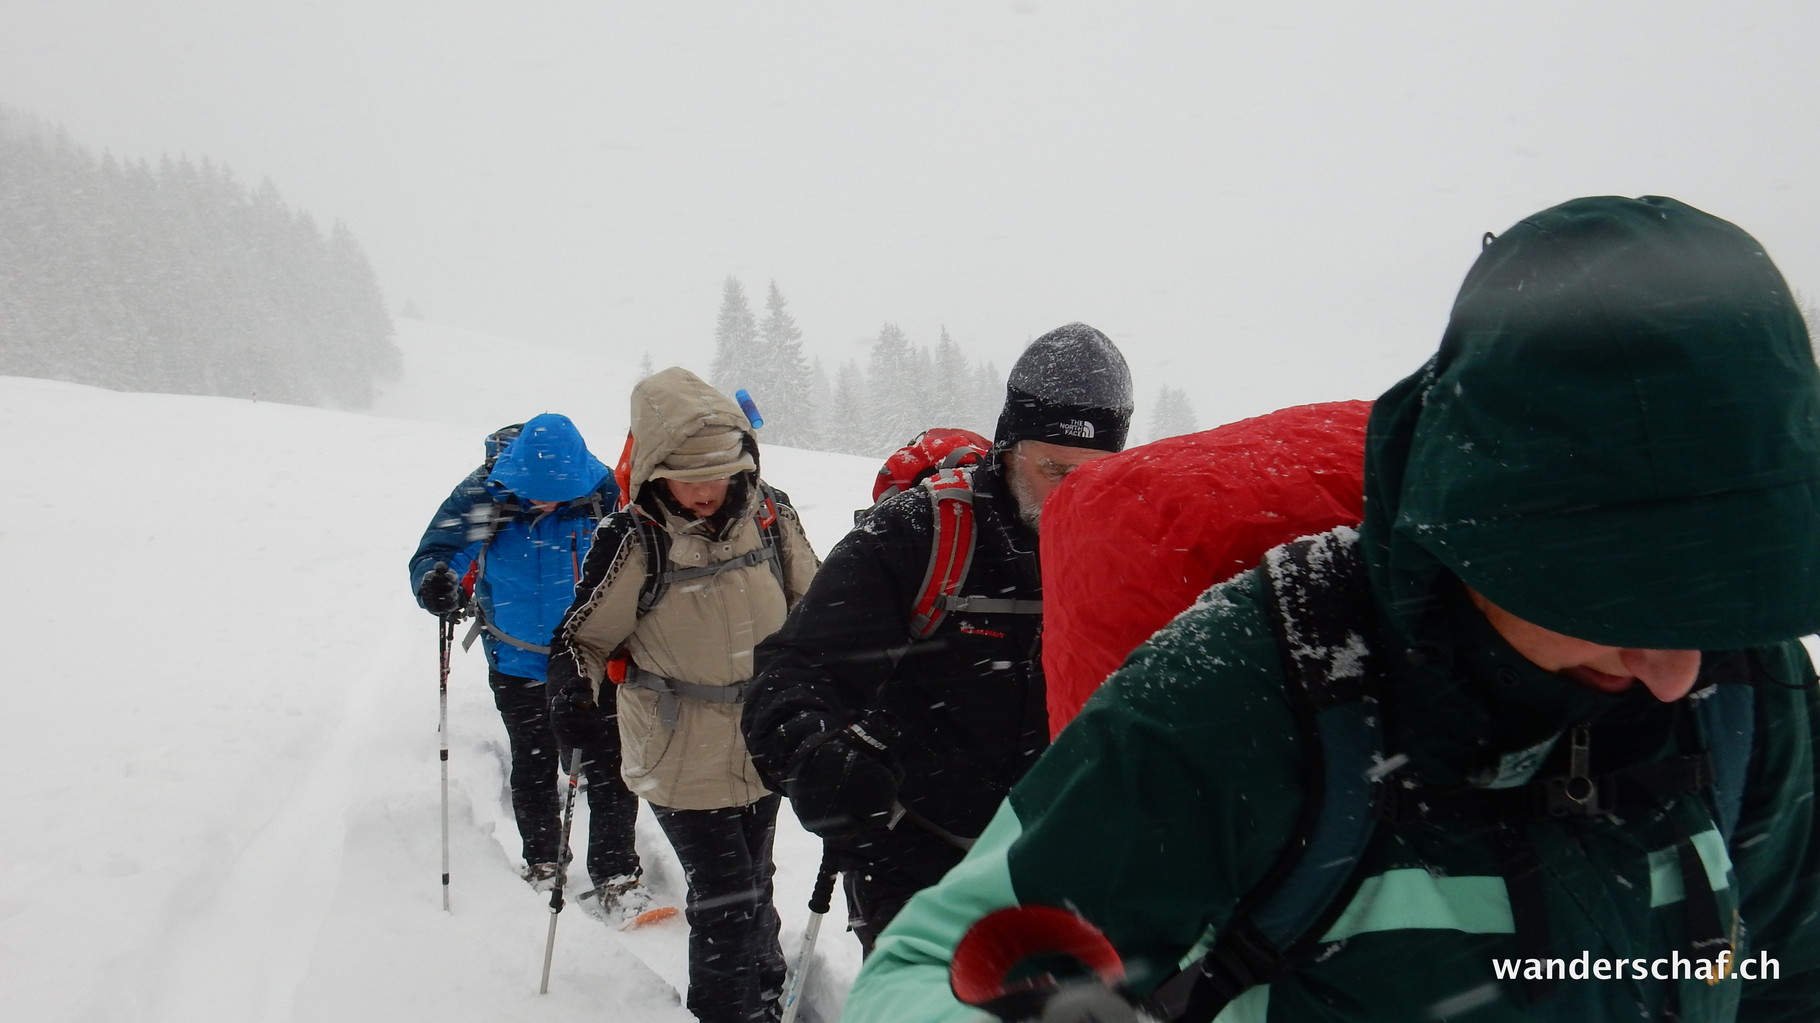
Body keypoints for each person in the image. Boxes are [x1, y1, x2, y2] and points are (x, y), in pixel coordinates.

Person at [841, 196, 1820, 1022]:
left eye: (1714, 599)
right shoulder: (1264, 682)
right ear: (1489, 521)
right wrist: (823, 746)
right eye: (1620, 598)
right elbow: (939, 972)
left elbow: (1786, 966)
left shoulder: (1744, 683)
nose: (1678, 668)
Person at [742, 322, 1135, 954]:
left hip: (1058, 857)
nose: (1072, 495)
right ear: (1008, 448)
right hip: (914, 856)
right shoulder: (920, 532)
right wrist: (813, 755)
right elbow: (795, 669)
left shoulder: (1126, 543)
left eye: (1096, 475)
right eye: (1053, 469)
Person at [548, 366, 818, 1023]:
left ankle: (767, 984)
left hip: (763, 739)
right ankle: (728, 1009)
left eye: (719, 473)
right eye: (688, 476)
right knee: (725, 890)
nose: (705, 491)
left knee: (756, 876)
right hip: (677, 749)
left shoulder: (771, 513)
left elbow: (819, 609)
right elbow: (580, 640)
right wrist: (572, 699)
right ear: (654, 470)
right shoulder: (633, 538)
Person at [408, 412, 642, 897]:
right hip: (516, 661)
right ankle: (542, 859)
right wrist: (435, 581)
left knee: (607, 770)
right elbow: (440, 549)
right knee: (532, 763)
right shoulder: (483, 494)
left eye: (556, 493)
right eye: (535, 492)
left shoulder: (606, 495)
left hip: (589, 661)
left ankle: (617, 875)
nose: (544, 502)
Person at [1040, 399, 1370, 736]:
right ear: (1010, 451)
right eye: (1052, 469)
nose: (1061, 486)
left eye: (1077, 472)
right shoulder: (1107, 519)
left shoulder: (1108, 520)